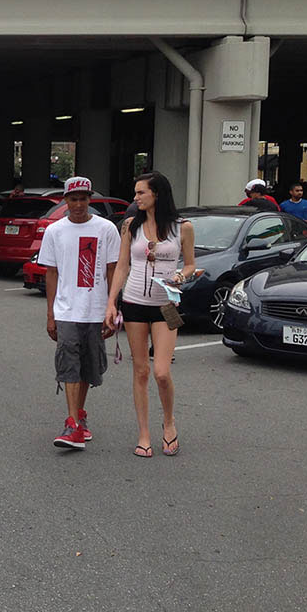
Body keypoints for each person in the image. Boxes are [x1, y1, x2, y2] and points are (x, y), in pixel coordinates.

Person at [105, 171, 195, 459]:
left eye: (141, 192)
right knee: (141, 370)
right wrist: (111, 302)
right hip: (134, 302)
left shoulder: (183, 227)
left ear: (157, 193)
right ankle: (144, 433)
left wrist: (180, 275)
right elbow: (122, 266)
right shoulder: (130, 225)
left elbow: (190, 265)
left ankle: (168, 423)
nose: (136, 197)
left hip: (166, 305)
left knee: (162, 372)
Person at [39, 177, 121, 451]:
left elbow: (113, 269)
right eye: (73, 199)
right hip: (66, 310)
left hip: (96, 310)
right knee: (68, 363)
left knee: (88, 364)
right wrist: (50, 314)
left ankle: (80, 416)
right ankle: (72, 423)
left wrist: (112, 306)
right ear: (65, 200)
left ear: (89, 200)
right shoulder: (55, 231)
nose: (78, 204)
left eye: (83, 199)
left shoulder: (106, 229)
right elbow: (51, 272)